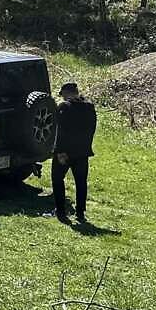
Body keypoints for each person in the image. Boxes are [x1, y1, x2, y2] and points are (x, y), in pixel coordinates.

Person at [53, 81, 98, 224]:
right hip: (83, 151)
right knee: (81, 181)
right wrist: (86, 146)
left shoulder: (64, 107)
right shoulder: (89, 107)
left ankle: (61, 211)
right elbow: (92, 128)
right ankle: (80, 212)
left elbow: (59, 131)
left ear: (66, 93)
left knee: (57, 179)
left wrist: (60, 151)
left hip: (65, 152)